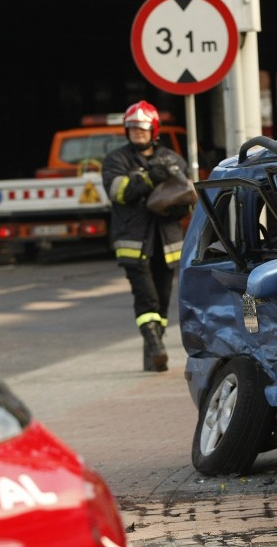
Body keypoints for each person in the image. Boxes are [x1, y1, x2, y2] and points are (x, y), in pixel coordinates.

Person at [102, 100, 188, 372]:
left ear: (153, 130)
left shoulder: (172, 159)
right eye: (133, 130)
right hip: (134, 242)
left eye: (142, 129)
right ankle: (156, 347)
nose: (137, 133)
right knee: (147, 299)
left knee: (161, 301)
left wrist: (170, 202)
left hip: (166, 243)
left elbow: (185, 197)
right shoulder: (116, 160)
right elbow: (118, 192)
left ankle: (152, 355)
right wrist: (150, 179)